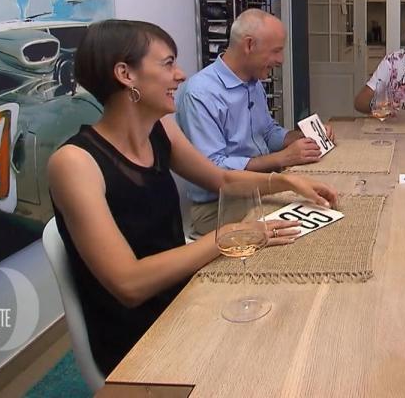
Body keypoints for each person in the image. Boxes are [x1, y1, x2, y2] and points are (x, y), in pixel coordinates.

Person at [47, 19, 337, 376]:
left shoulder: (160, 129)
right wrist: (228, 237)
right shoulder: (73, 163)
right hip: (144, 336)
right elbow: (129, 283)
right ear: (126, 74)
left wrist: (289, 182)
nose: (180, 75)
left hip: (185, 293)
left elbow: (221, 178)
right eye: (168, 64)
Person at [176, 9, 334, 235]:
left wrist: (301, 137)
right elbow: (214, 168)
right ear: (249, 45)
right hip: (216, 206)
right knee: (308, 218)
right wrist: (281, 158)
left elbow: (268, 132)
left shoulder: (253, 81)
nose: (281, 60)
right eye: (276, 51)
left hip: (259, 186)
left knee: (319, 197)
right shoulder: (200, 94)